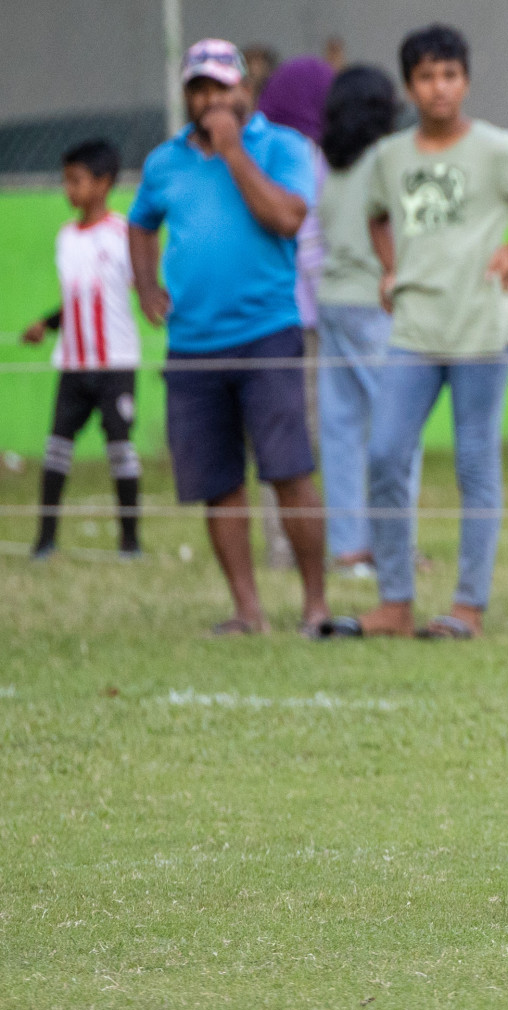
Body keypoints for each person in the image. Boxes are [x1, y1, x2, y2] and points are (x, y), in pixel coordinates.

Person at [322, 24, 508, 640]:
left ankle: (467, 607)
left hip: (480, 333)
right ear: (410, 87)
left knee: (475, 466)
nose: (439, 88)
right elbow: (373, 214)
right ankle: (394, 603)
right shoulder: (389, 157)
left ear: (465, 82)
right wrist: (390, 269)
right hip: (414, 332)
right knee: (386, 454)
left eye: (449, 75)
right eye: (426, 77)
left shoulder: (496, 148)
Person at [128, 39, 328, 636]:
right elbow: (139, 223)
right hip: (192, 345)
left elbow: (288, 218)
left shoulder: (283, 147)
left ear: (245, 88)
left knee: (288, 472)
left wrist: (233, 151)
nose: (210, 99)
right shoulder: (165, 161)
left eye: (221, 87)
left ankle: (315, 605)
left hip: (267, 335)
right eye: (198, 89)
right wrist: (145, 287)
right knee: (218, 483)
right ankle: (247, 610)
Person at [314, 64, 414, 575]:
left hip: (330, 300)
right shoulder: (389, 158)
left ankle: (350, 547)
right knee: (397, 428)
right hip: (376, 302)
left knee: (341, 430)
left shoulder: (330, 164)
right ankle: (395, 546)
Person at [21, 139, 142, 561]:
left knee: (120, 449)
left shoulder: (123, 233)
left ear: (104, 183)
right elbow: (75, 298)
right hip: (73, 365)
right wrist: (47, 325)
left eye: (77, 180)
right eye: (65, 181)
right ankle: (45, 539)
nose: (69, 189)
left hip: (115, 363)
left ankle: (131, 542)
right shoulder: (65, 238)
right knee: (57, 449)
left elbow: (140, 287)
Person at [255, 56, 336, 571]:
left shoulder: (263, 150)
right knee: (300, 436)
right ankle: (295, 547)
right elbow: (308, 243)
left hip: (280, 316)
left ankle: (292, 545)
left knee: (282, 436)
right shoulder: (302, 153)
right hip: (308, 319)